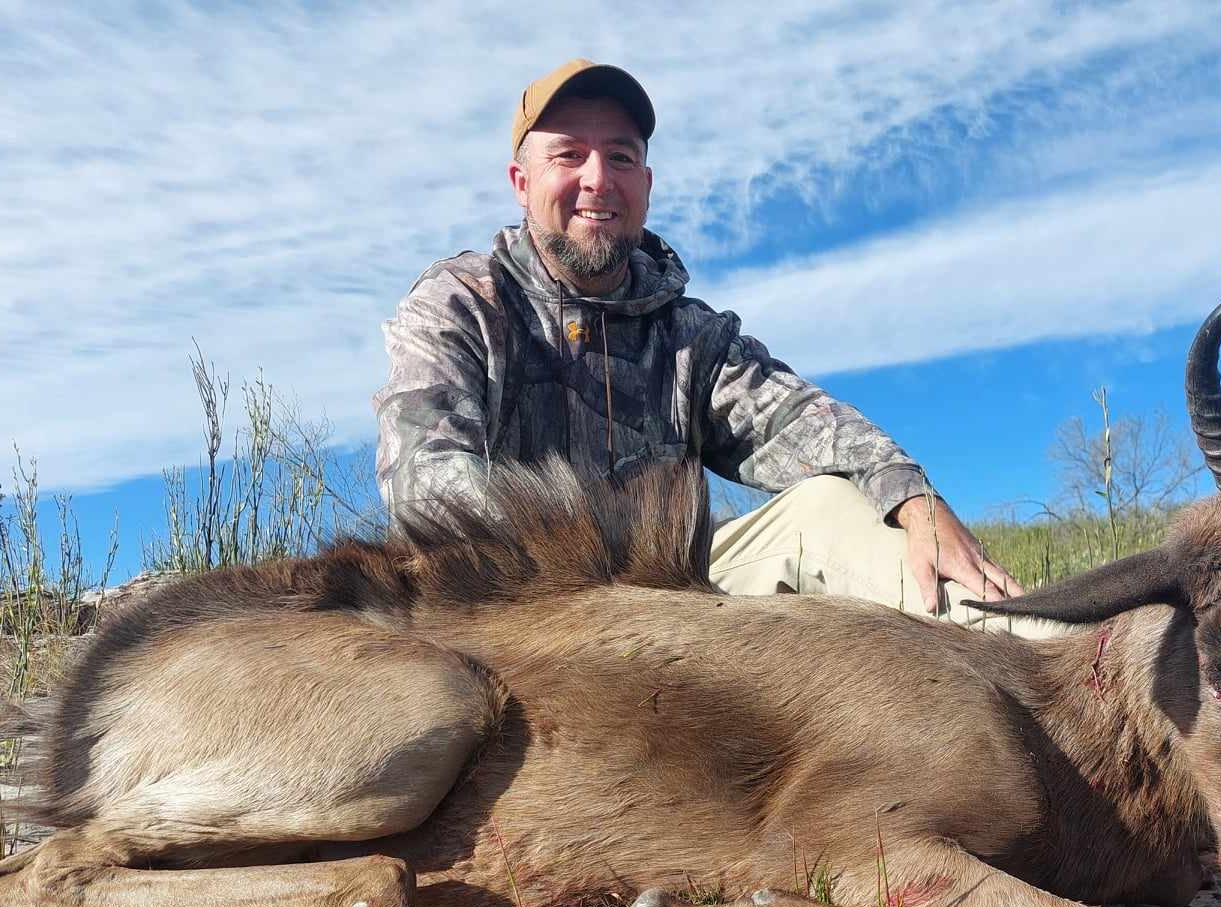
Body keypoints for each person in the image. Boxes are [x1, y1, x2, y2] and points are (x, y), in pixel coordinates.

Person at [373, 59, 1052, 631]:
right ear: (522, 185)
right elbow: (426, 485)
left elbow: (798, 422)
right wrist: (599, 558)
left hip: (674, 611)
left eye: (620, 157)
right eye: (568, 155)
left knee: (831, 506)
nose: (597, 179)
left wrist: (913, 499)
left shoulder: (688, 334)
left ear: (645, 184)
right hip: (514, 616)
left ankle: (1046, 663)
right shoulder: (460, 305)